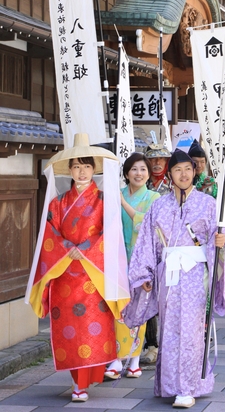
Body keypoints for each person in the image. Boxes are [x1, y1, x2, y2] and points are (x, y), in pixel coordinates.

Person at [123, 149, 225, 408]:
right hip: (168, 274)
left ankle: (188, 387)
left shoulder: (208, 203)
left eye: (188, 169)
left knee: (191, 329)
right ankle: (169, 385)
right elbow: (147, 243)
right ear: (170, 175)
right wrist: (145, 274)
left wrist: (221, 241)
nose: (184, 174)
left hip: (195, 273)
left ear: (194, 172)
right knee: (169, 329)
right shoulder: (159, 205)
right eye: (178, 170)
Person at [25, 133, 129, 403]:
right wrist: (65, 248)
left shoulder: (105, 200)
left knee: (92, 328)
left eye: (86, 166)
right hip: (64, 277)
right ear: (69, 170)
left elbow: (110, 233)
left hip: (94, 276)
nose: (82, 172)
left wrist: (84, 249)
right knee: (70, 331)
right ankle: (77, 384)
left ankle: (88, 379)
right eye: (76, 167)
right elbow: (49, 235)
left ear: (94, 169)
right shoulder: (57, 203)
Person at [105, 152, 160, 379]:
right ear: (126, 173)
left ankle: (134, 360)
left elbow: (145, 225)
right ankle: (116, 359)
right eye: (134, 169)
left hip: (140, 262)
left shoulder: (154, 198)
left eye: (143, 169)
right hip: (116, 259)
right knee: (116, 310)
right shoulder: (115, 194)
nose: (139, 173)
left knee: (138, 310)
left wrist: (123, 203)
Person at [141, 143, 172, 364]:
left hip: (168, 246)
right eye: (153, 160)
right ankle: (150, 344)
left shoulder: (173, 185)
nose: (157, 164)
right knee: (147, 294)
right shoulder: (141, 184)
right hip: (144, 244)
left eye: (161, 159)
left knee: (168, 298)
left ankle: (168, 342)